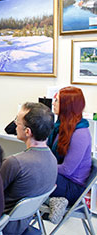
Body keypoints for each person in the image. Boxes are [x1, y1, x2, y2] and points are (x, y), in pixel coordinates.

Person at [0, 102, 57, 234]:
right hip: (23, 221)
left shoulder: (15, 163)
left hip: (2, 225)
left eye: (17, 122)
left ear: (27, 131)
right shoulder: (52, 160)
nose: (14, 125)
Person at [47, 86, 91, 222]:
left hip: (72, 187)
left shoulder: (80, 133)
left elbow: (67, 170)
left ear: (67, 105)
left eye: (57, 101)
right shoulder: (61, 126)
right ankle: (53, 201)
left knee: (30, 174)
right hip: (61, 179)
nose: (53, 103)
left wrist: (43, 165)